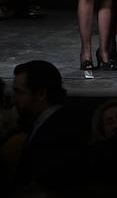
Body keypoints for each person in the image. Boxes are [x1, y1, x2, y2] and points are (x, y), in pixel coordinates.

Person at [12, 61, 85, 193]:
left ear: (41, 94)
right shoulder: (46, 124)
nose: (14, 99)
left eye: (20, 92)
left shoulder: (58, 133)